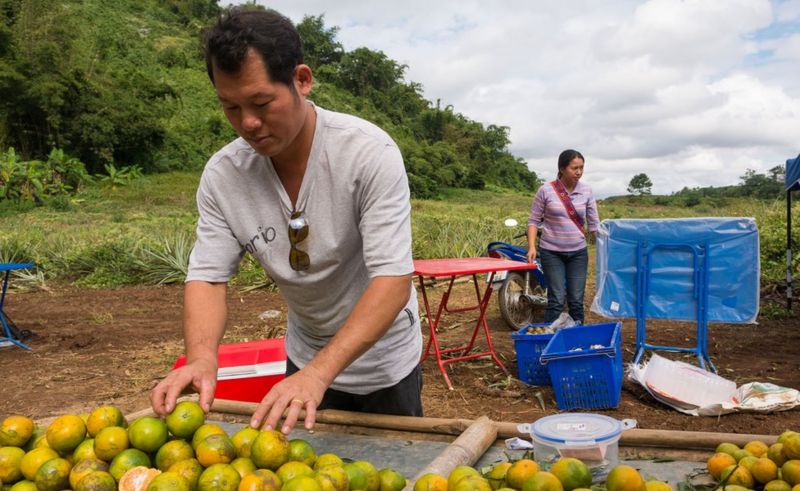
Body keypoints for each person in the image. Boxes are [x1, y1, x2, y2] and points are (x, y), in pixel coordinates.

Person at [150, 7, 423, 434]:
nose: (249, 124)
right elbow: (207, 276)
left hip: (383, 360)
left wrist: (319, 373)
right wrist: (201, 358)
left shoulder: (367, 154)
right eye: (231, 107)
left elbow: (392, 278)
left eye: (261, 103)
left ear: (301, 79)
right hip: (305, 351)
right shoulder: (224, 176)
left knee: (392, 467)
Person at [525, 149, 599, 324]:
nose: (579, 172)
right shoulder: (546, 190)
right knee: (557, 299)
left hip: (578, 253)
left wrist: (606, 245)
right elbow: (533, 221)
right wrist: (532, 247)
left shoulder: (587, 191)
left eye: (581, 168)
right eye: (574, 168)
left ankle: (576, 341)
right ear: (562, 168)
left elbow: (594, 224)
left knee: (576, 301)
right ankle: (549, 341)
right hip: (552, 252)